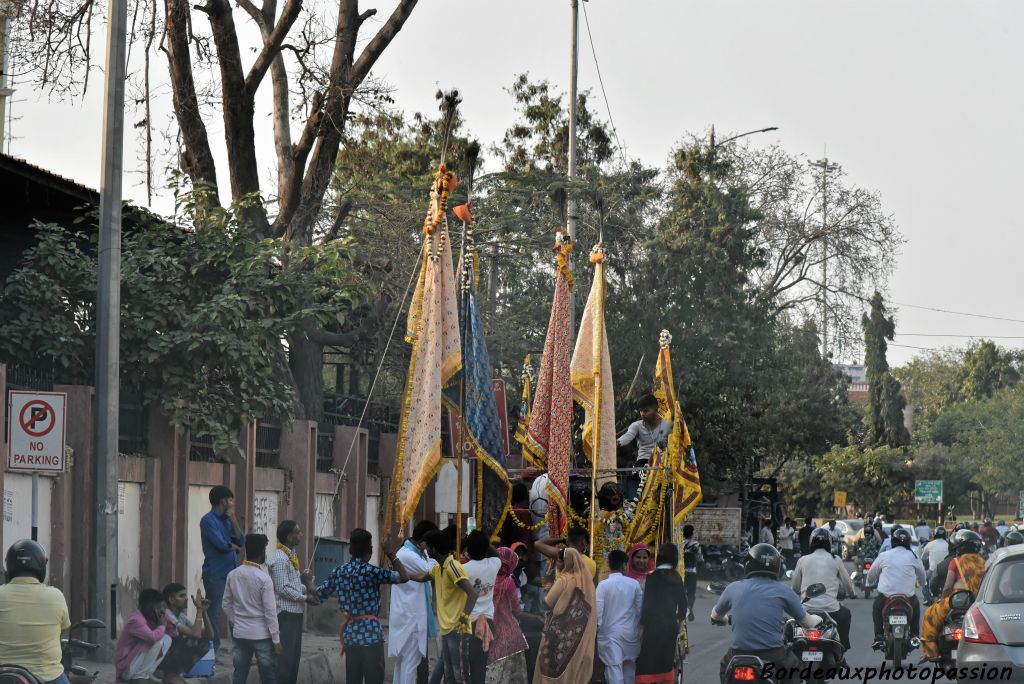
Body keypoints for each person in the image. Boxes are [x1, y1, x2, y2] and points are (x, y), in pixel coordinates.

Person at [711, 544, 821, 684]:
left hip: (738, 653)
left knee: (724, 667)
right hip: (773, 653)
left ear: (748, 564)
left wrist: (725, 620)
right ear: (777, 567)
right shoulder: (783, 590)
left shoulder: (733, 587)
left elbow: (715, 616)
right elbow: (807, 622)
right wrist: (818, 619)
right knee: (797, 670)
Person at [316, 528, 410, 684]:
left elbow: (319, 595)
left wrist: (306, 582)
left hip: (351, 637)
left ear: (351, 549)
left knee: (353, 680)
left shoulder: (339, 572)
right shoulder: (372, 572)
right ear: (370, 550)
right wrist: (390, 553)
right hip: (371, 637)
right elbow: (404, 577)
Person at [0, 540, 73, 684]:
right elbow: (63, 629)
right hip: (48, 676)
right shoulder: (56, 596)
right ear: (41, 567)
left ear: (10, 567)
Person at [223, 533, 280, 684]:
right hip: (261, 634)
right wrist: (276, 640)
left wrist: (236, 622)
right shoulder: (264, 579)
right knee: (268, 675)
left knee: (239, 675)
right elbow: (270, 613)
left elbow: (226, 605)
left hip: (240, 633)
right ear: (263, 552)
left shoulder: (233, 574)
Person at [533, 548, 596, 684]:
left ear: (565, 561)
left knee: (551, 666)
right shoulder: (587, 581)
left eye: (559, 560)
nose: (557, 563)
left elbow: (547, 603)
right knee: (572, 662)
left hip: (558, 631)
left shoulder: (565, 579)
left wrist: (548, 589)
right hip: (577, 632)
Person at [267, 521, 319, 684]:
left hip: (295, 613)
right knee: (285, 659)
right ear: (289, 537)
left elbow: (293, 585)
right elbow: (282, 588)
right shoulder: (281, 558)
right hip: (285, 614)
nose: (301, 535)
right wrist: (305, 598)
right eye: (298, 532)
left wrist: (306, 586)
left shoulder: (291, 554)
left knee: (293, 658)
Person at [921, 529, 986, 659]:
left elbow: (947, 587)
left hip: (956, 601)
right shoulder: (983, 562)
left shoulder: (955, 561)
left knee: (929, 615)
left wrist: (942, 599)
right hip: (977, 602)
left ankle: (931, 652)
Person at [389, 520, 440, 684]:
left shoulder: (416, 553)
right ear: (423, 542)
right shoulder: (407, 555)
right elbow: (431, 570)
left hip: (409, 615)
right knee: (409, 664)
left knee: (403, 664)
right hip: (410, 618)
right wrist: (435, 556)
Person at [424, 529, 478, 684]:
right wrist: (396, 563)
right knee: (448, 674)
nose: (426, 551)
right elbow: (420, 577)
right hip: (447, 629)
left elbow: (472, 594)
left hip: (457, 629)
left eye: (428, 547)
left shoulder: (453, 566)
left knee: (459, 674)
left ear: (434, 549)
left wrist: (464, 618)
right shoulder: (438, 568)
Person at [790, 528, 855, 650]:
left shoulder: (803, 560)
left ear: (811, 542)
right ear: (829, 543)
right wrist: (851, 594)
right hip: (832, 611)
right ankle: (842, 646)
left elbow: (794, 587)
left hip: (806, 611)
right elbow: (848, 584)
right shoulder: (836, 559)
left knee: (791, 628)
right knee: (846, 614)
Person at [200, 485, 244, 654]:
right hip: (215, 573)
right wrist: (231, 546)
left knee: (236, 610)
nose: (232, 503)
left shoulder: (227, 520)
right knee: (214, 612)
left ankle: (239, 648)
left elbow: (241, 541)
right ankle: (213, 649)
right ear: (222, 501)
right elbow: (221, 543)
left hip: (231, 572)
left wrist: (233, 520)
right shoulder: (208, 520)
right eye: (230, 500)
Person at [636, 544, 688, 684]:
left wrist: (641, 628)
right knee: (666, 661)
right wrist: (679, 623)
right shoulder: (677, 577)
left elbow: (647, 605)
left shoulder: (652, 577)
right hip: (670, 626)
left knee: (648, 661)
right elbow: (683, 605)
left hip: (653, 626)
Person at [866, 527, 926, 648]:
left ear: (893, 541)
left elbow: (871, 574)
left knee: (877, 607)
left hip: (886, 596)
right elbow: (922, 575)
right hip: (907, 597)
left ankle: (878, 636)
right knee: (916, 607)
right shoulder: (913, 556)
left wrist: (870, 582)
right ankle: (914, 635)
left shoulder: (884, 555)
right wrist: (922, 583)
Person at [595, 550, 643, 684]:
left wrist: (596, 630)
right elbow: (640, 611)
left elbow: (598, 613)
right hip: (630, 633)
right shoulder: (634, 584)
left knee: (614, 669)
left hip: (610, 634)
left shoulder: (603, 585)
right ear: (624, 565)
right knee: (629, 668)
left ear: (609, 565)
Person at [485, 547, 529, 684]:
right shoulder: (508, 582)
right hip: (509, 635)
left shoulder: (486, 577)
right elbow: (516, 609)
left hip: (487, 631)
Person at [463, 531, 501, 684]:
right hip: (488, 622)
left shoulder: (463, 568)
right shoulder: (494, 564)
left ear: (468, 549)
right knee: (480, 667)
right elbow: (497, 554)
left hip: (470, 622)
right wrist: (485, 543)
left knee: (467, 667)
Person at [617, 394, 671, 498]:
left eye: (646, 411)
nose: (642, 414)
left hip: (661, 464)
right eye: (641, 411)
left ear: (656, 409)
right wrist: (617, 443)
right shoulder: (636, 426)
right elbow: (627, 437)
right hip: (643, 463)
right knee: (641, 473)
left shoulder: (667, 426)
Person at [158, 583, 214, 682]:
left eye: (185, 595)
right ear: (171, 599)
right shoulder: (167, 614)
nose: (186, 598)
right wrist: (199, 609)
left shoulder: (181, 616)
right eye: (182, 596)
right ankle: (169, 674)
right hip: (160, 657)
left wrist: (204, 611)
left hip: (171, 654)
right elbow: (195, 634)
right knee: (191, 642)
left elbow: (209, 636)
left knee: (204, 643)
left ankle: (174, 673)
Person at [115, 588, 172, 683]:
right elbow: (153, 637)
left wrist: (162, 616)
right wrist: (162, 625)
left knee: (167, 639)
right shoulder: (136, 621)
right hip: (125, 668)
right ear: (150, 606)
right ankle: (139, 675)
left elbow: (173, 629)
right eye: (159, 606)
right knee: (155, 640)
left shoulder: (148, 618)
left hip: (133, 663)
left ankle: (146, 673)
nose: (161, 610)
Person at [921, 527, 949, 604]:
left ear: (935, 534)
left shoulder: (930, 544)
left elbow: (923, 558)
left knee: (923, 579)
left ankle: (927, 598)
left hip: (933, 571)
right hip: (946, 571)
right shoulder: (948, 545)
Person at [681, 524, 703, 622]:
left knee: (682, 592)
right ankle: (690, 607)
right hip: (692, 571)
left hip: (681, 572)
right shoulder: (695, 544)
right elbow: (699, 558)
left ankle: (683, 609)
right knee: (691, 593)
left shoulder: (679, 543)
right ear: (692, 533)